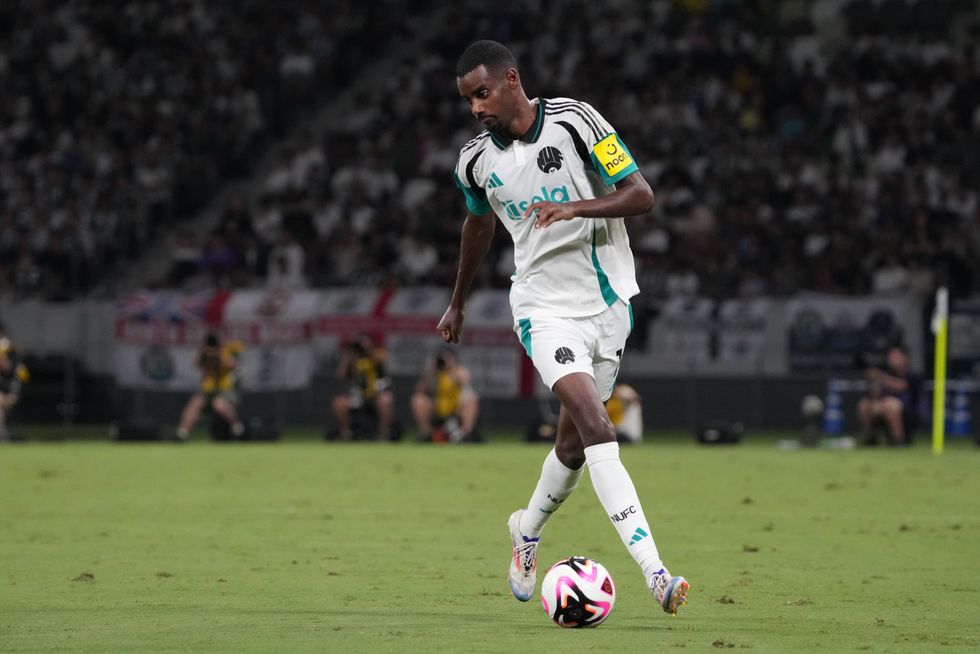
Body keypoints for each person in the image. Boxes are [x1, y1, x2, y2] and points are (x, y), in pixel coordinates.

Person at [439, 40, 689, 616]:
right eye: (467, 100)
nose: (475, 108)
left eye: (481, 93)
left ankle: (526, 530)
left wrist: (576, 207)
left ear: (510, 79)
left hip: (607, 302)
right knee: (600, 425)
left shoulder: (576, 122)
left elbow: (641, 195)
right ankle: (657, 574)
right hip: (542, 309)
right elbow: (477, 229)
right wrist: (459, 302)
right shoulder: (474, 162)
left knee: (572, 446)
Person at [176, 330, 245, 441]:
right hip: (208, 389)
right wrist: (205, 352)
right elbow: (196, 364)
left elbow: (233, 365)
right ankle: (182, 434)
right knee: (194, 404)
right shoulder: (206, 352)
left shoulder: (226, 351)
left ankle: (238, 429)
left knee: (219, 404)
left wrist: (219, 354)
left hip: (225, 389)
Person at [330, 334, 395, 441]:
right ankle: (346, 433)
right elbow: (341, 374)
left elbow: (384, 364)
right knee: (339, 403)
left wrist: (369, 350)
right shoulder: (354, 357)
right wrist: (349, 355)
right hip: (357, 395)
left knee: (386, 399)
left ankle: (383, 434)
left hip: (375, 394)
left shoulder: (378, 354)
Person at [411, 347, 479, 443]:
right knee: (418, 399)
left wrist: (450, 368)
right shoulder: (434, 373)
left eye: (446, 357)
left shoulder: (459, 370)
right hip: (437, 409)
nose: (443, 360)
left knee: (472, 398)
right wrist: (431, 370)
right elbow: (420, 389)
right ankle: (427, 434)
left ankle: (466, 434)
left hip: (456, 409)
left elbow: (465, 382)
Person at [857, 345, 919, 446]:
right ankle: (871, 438)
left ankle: (899, 440)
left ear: (905, 358)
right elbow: (876, 394)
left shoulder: (912, 374)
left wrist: (881, 377)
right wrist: (874, 383)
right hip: (884, 409)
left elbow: (902, 386)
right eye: (891, 356)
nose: (892, 359)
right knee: (864, 405)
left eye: (896, 356)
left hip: (908, 413)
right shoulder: (887, 372)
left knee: (890, 404)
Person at [0, 324, 30, 442]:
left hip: (10, 391)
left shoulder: (12, 350)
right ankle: (3, 434)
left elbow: (9, 368)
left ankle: (2, 435)